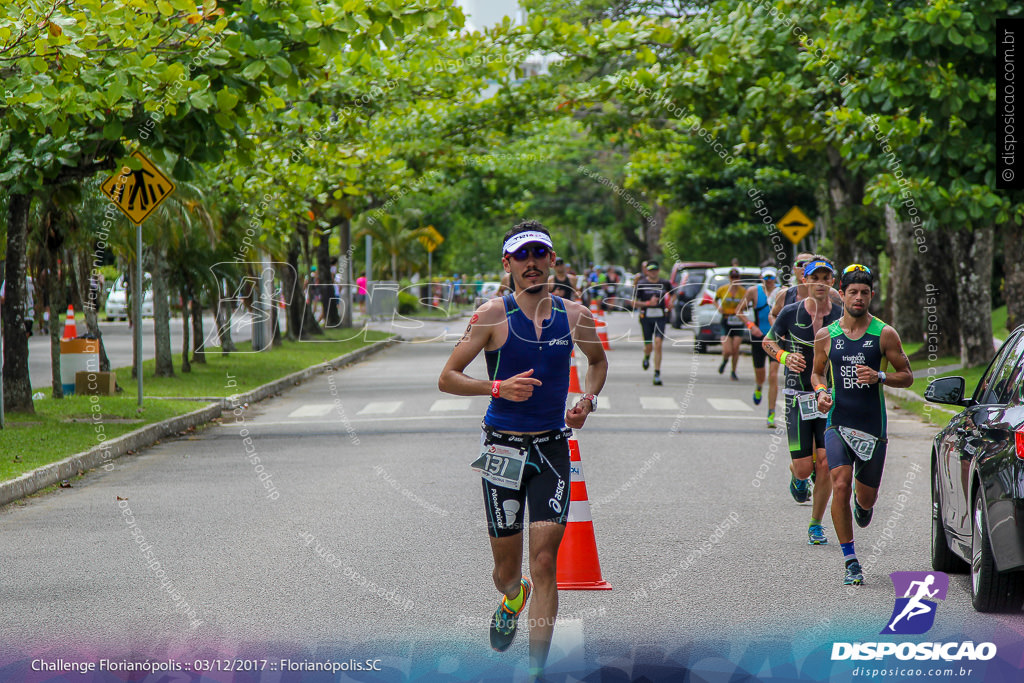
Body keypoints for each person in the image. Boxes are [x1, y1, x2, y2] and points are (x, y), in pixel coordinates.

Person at [438, 220, 608, 677]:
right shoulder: (492, 315)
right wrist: (496, 387)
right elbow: (447, 377)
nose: (531, 263)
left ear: (552, 260)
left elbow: (597, 362)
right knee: (506, 570)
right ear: (508, 264)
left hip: (552, 446)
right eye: (521, 256)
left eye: (539, 254)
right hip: (502, 449)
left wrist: (586, 400)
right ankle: (513, 598)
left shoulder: (576, 316)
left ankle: (537, 669)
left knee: (546, 560)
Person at [811, 264, 913, 586]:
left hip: (872, 429)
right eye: (852, 292)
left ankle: (862, 504)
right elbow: (816, 373)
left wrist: (880, 375)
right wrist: (821, 393)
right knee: (839, 481)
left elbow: (907, 376)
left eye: (864, 292)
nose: (858, 297)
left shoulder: (884, 334)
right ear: (841, 295)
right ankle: (850, 560)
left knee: (866, 500)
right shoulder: (826, 336)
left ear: (872, 295)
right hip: (838, 422)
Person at [762, 258, 843, 546]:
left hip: (830, 397)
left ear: (832, 282)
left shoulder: (842, 316)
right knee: (804, 468)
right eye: (815, 277)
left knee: (824, 462)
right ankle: (796, 476)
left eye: (826, 277)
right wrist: (785, 356)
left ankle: (816, 524)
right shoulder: (790, 311)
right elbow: (768, 341)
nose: (820, 283)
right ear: (805, 281)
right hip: (798, 396)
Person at [736, 266, 779, 416]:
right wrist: (751, 325)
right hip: (758, 337)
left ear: (775, 278)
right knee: (760, 373)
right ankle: (759, 386)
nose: (769, 281)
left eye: (771, 278)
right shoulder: (753, 291)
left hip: (775, 338)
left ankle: (771, 412)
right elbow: (739, 311)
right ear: (762, 278)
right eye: (766, 278)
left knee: (773, 375)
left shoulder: (782, 291)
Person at [633, 261, 673, 386]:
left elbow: (673, 293)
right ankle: (646, 356)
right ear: (647, 271)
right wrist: (647, 304)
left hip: (660, 316)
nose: (653, 272)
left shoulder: (665, 283)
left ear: (658, 270)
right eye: (651, 270)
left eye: (655, 270)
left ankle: (657, 373)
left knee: (658, 343)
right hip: (646, 317)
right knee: (649, 346)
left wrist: (671, 302)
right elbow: (633, 302)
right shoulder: (642, 283)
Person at [714, 268, 746, 380]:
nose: (734, 280)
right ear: (729, 278)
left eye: (736, 277)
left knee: (736, 348)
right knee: (728, 350)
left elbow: (747, 304)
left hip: (738, 321)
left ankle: (733, 371)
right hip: (726, 321)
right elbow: (715, 300)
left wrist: (741, 309)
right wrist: (719, 308)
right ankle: (725, 360)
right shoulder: (723, 290)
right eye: (733, 277)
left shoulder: (743, 291)